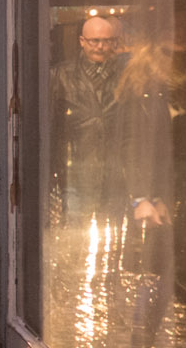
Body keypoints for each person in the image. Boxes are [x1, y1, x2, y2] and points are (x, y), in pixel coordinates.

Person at [47, 14, 130, 221]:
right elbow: (50, 129)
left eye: (107, 41)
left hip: (115, 177)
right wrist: (52, 177)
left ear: (114, 42)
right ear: (82, 41)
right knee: (75, 234)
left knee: (114, 238)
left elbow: (133, 130)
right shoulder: (61, 76)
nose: (100, 46)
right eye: (95, 41)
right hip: (74, 174)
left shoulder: (126, 75)